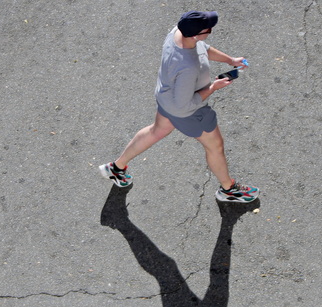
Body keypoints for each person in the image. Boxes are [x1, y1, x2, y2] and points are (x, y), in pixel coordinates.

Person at [99, 11, 259, 203]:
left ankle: (116, 168)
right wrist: (213, 87)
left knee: (156, 131)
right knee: (215, 147)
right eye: (208, 29)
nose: (210, 31)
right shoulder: (187, 67)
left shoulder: (178, 32)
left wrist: (230, 60)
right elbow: (185, 105)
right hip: (187, 112)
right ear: (195, 35)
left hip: (165, 96)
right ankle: (228, 190)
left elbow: (203, 48)